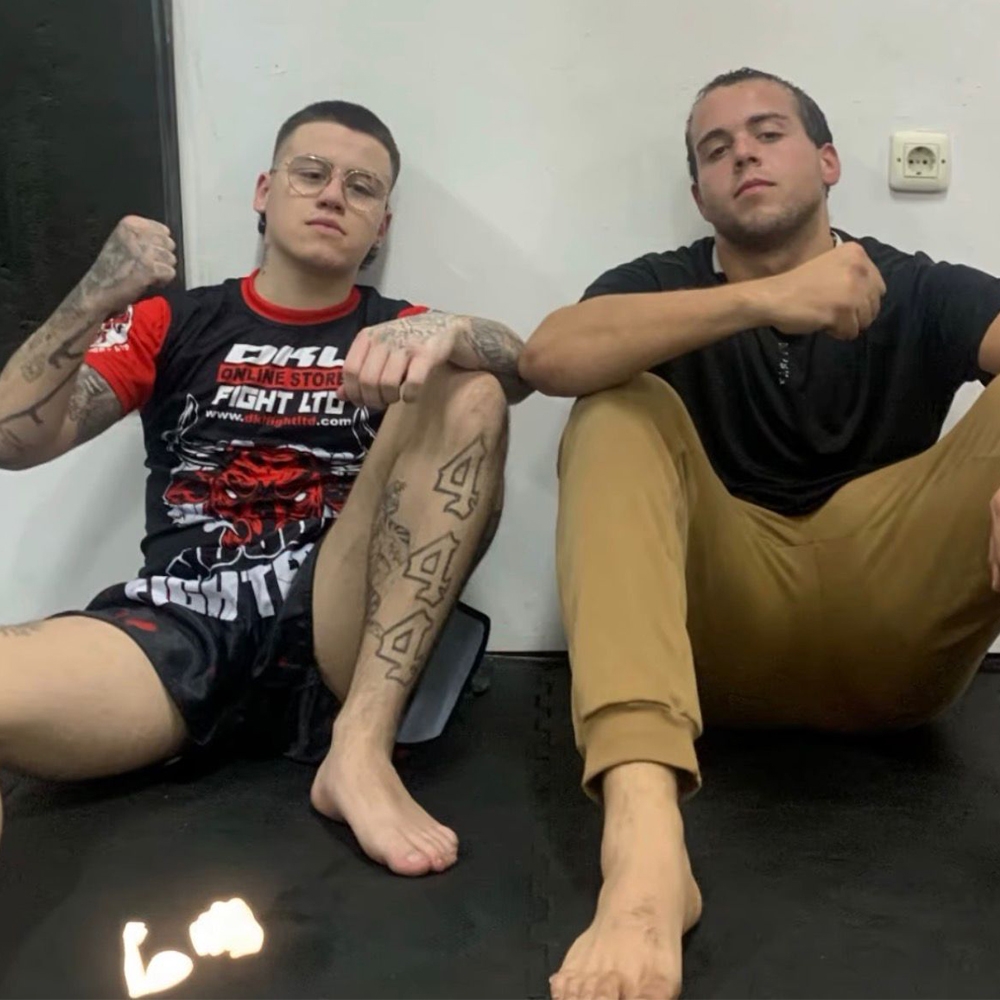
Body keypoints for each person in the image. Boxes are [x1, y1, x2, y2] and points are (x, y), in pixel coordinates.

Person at [520, 67, 1000, 999]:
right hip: (718, 645)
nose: (742, 152)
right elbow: (548, 358)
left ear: (828, 162)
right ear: (700, 192)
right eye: (716, 148)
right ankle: (645, 856)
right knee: (612, 406)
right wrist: (761, 300)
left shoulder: (918, 285)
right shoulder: (659, 286)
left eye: (768, 132)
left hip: (895, 629)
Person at [0, 99, 531, 879]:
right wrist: (96, 293)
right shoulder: (174, 320)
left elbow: (523, 369)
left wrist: (454, 331)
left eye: (361, 187)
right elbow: (12, 438)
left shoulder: (402, 330)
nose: (332, 195)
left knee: (473, 389)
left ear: (381, 225)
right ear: (264, 190)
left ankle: (359, 753)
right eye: (310, 173)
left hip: (340, 624)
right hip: (180, 623)